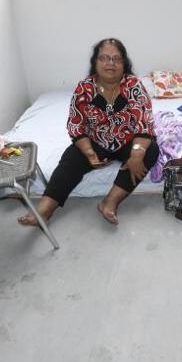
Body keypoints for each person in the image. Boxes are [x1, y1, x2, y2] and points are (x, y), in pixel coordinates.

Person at [18, 38, 159, 226]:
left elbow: (144, 122)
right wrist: (90, 153)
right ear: (95, 62)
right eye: (104, 58)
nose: (110, 63)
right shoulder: (84, 88)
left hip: (128, 140)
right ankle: (45, 209)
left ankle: (109, 202)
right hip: (96, 140)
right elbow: (76, 125)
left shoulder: (133, 85)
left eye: (116, 59)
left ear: (124, 63)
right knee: (72, 156)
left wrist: (137, 154)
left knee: (151, 151)